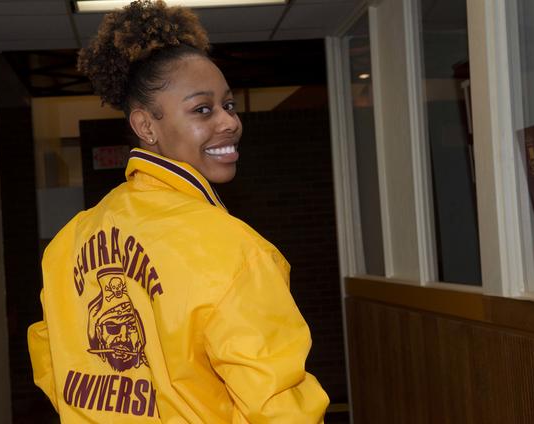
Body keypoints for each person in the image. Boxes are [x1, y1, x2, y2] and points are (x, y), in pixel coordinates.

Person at [27, 1, 330, 422]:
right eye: (202, 109)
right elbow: (279, 408)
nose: (228, 122)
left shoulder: (68, 241)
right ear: (146, 127)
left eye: (229, 105)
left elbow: (51, 362)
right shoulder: (233, 248)